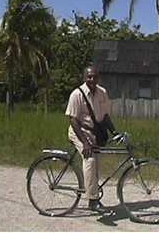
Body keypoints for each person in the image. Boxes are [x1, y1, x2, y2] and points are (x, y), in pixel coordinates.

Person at [65, 65, 116, 213]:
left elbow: (105, 116)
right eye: (89, 77)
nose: (92, 79)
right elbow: (73, 120)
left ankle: (92, 193)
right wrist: (85, 143)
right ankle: (93, 200)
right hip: (78, 131)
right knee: (90, 160)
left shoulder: (102, 93)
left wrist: (115, 133)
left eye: (94, 76)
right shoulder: (77, 94)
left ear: (98, 77)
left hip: (94, 133)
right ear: (84, 77)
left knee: (97, 165)